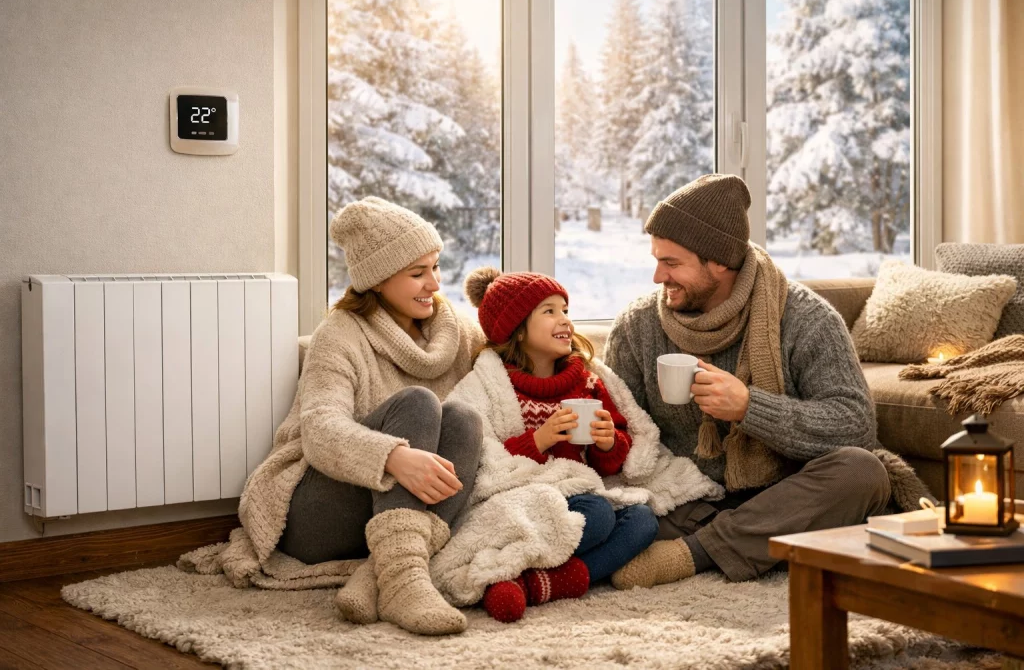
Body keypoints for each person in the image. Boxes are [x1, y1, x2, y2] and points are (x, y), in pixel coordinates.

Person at [605, 173, 921, 589]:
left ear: (719, 261)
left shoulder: (807, 319)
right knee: (607, 512)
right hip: (687, 498)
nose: (658, 277)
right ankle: (749, 542)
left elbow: (855, 424)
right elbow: (624, 427)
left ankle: (695, 553)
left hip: (785, 494)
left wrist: (750, 408)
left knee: (863, 473)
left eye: (672, 263)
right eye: (657, 259)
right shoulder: (637, 325)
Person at [238, 197, 485, 636]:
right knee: (418, 403)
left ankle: (383, 576)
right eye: (417, 273)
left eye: (435, 267)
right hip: (314, 516)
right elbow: (319, 429)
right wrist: (391, 456)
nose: (434, 283)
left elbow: (512, 361)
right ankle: (403, 580)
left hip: (386, 520)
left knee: (465, 418)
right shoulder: (339, 334)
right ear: (378, 279)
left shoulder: (457, 331)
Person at [461, 268, 659, 622]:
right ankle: (517, 568)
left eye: (565, 310)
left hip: (579, 489)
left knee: (643, 520)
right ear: (517, 329)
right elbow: (479, 455)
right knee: (596, 517)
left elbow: (613, 463)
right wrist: (539, 440)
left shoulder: (587, 381)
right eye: (549, 311)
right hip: (525, 497)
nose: (564, 320)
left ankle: (536, 583)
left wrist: (609, 442)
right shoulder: (490, 384)